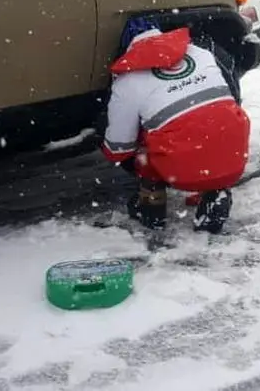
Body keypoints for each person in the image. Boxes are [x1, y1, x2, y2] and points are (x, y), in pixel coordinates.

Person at [100, 17, 251, 233]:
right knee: (211, 121)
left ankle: (152, 207)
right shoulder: (201, 53)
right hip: (234, 154)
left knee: (145, 146)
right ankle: (214, 190)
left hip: (180, 169)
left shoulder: (128, 80)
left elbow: (118, 149)